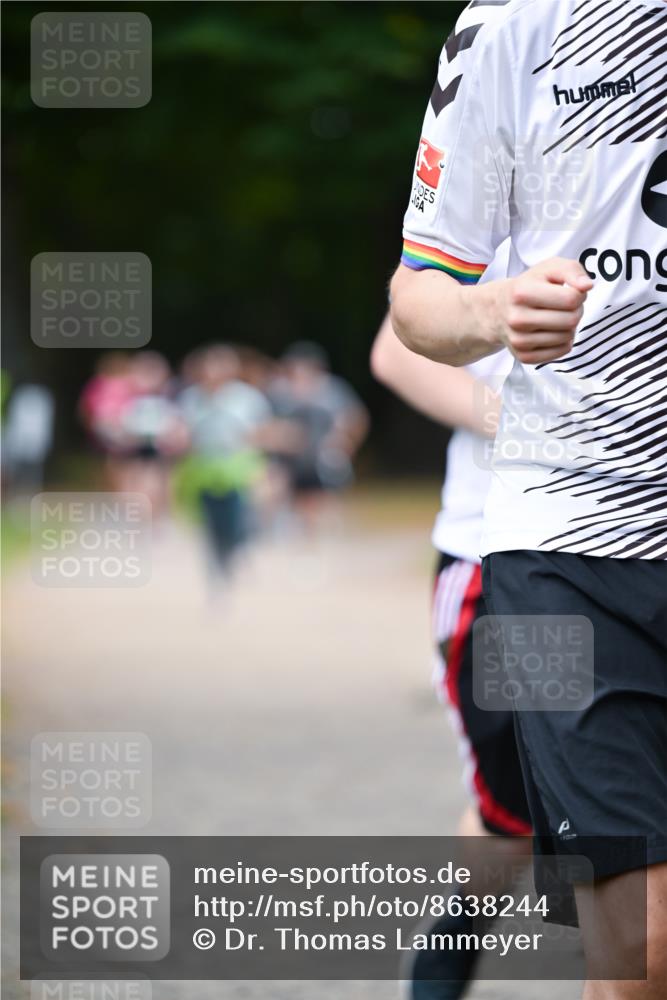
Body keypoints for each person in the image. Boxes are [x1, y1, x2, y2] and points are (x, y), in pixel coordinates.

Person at [390, 1, 667, 997]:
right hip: (562, 538)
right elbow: (413, 310)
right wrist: (494, 315)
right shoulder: (515, 24)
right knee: (633, 938)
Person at [372, 296, 531, 1000]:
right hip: (499, 549)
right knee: (518, 804)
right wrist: (514, 419)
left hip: (637, 554)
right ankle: (458, 933)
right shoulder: (492, 190)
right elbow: (397, 349)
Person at [268, 342, 369, 533]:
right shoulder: (280, 392)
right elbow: (267, 423)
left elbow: (355, 417)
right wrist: (282, 435)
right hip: (290, 460)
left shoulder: (331, 390)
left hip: (323, 457)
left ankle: (321, 542)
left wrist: (345, 440)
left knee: (322, 503)